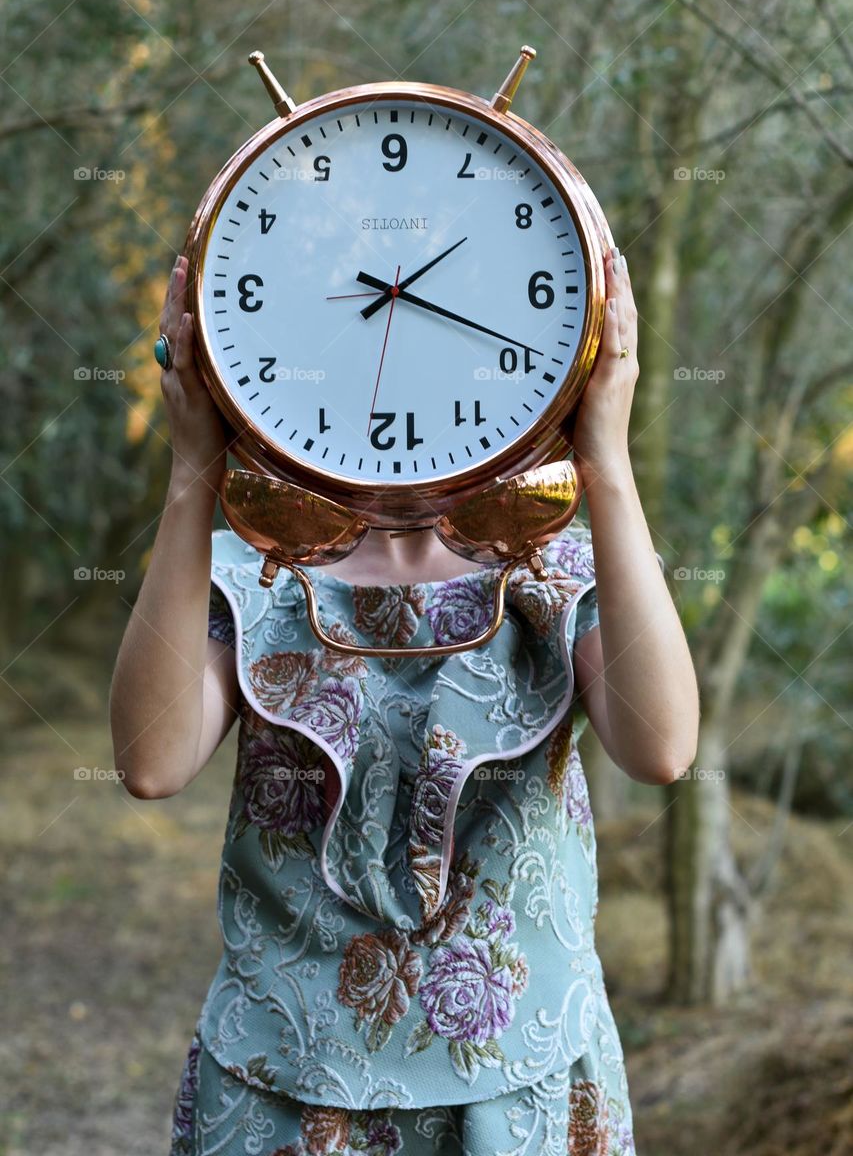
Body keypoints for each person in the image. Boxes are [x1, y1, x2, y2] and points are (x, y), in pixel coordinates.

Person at [110, 245, 699, 1155]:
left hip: (521, 1093)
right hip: (284, 1092)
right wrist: (194, 470)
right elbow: (150, 761)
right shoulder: (254, 574)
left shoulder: (555, 569)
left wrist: (605, 463)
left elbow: (661, 746)